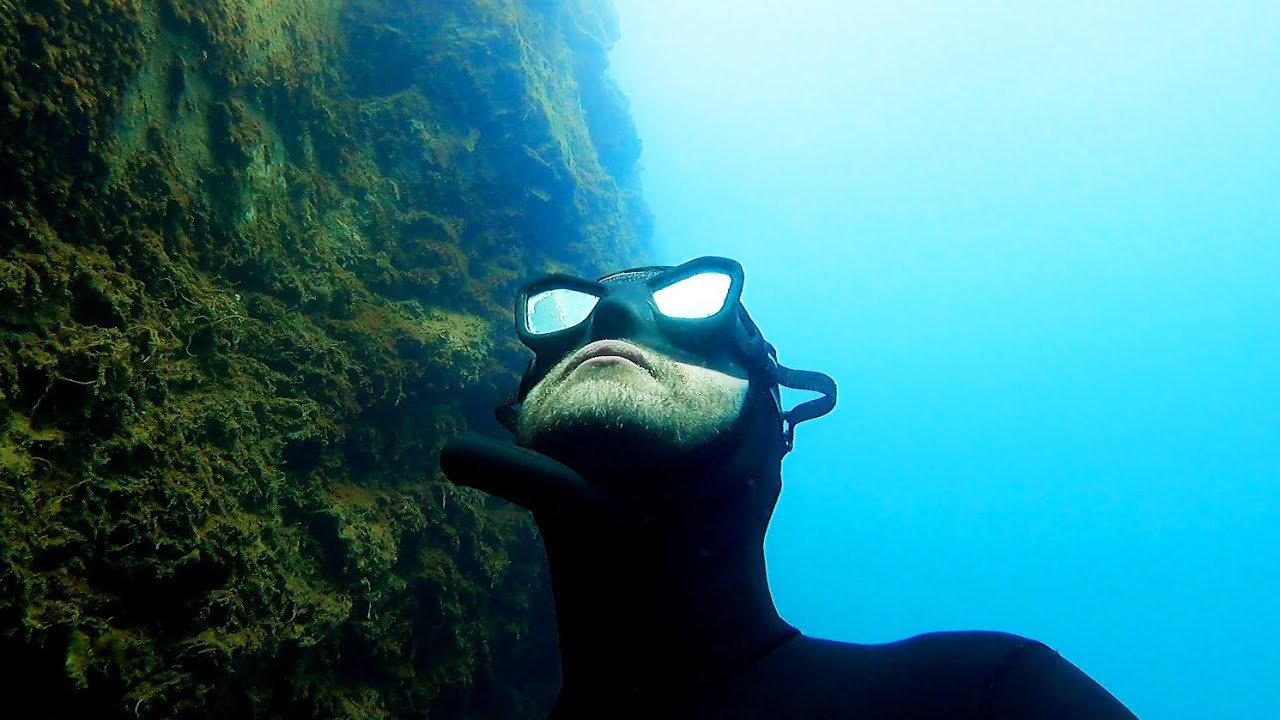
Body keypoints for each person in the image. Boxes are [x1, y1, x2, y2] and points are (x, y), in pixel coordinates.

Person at [440, 256, 1138, 719]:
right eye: (571, 312)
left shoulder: (988, 701)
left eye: (685, 302)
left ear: (773, 430)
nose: (614, 316)